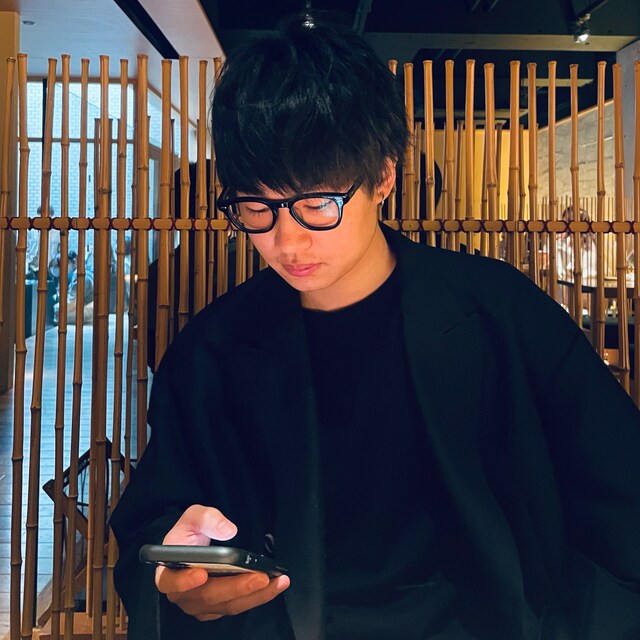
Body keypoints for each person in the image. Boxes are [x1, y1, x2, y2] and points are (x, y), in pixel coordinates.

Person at [110, 12, 640, 640]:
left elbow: (619, 495)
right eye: (256, 207)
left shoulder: (498, 312)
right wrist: (174, 579)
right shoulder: (212, 352)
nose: (287, 240)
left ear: (383, 177)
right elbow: (152, 522)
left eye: (317, 203)